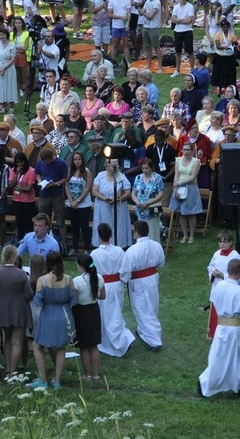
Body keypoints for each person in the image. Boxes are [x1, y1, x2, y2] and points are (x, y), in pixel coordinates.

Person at [198, 258, 240, 398]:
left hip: (222, 328)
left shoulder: (220, 287)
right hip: (237, 330)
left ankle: (217, 383)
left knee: (220, 357)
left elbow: (216, 302)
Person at [27, 251, 78, 390]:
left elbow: (37, 301)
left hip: (48, 314)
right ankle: (57, 380)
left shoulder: (42, 280)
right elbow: (74, 300)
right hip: (63, 313)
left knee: (37, 346)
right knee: (61, 348)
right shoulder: (68, 279)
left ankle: (42, 378)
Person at [0, 245, 34, 378]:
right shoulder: (21, 274)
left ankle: (8, 369)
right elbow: (29, 295)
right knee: (17, 341)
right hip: (19, 310)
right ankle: (13, 371)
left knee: (8, 339)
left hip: (2, 310)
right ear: (15, 257)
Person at [122, 220, 165, 352]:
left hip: (138, 281)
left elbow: (126, 270)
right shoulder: (157, 246)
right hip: (152, 278)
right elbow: (161, 263)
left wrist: (123, 280)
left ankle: (154, 341)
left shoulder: (132, 250)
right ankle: (142, 331)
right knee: (151, 305)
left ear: (136, 232)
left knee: (141, 309)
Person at [72, 253, 105, 380]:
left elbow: (75, 300)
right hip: (94, 310)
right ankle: (96, 374)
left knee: (84, 345)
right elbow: (103, 296)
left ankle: (87, 374)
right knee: (94, 344)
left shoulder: (77, 281)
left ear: (81, 266)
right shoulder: (99, 278)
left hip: (82, 312)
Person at [205, 231, 240, 340]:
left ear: (230, 242)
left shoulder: (235, 256)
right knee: (216, 309)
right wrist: (212, 272)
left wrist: (223, 275)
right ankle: (214, 333)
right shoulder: (216, 254)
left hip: (229, 288)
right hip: (217, 286)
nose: (222, 244)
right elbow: (210, 266)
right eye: (220, 242)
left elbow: (239, 273)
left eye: (225, 242)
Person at [92, 158, 132, 247]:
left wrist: (117, 199)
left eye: (117, 165)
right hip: (103, 206)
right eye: (113, 165)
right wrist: (104, 198)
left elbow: (128, 192)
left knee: (118, 226)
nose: (115, 167)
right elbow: (94, 191)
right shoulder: (100, 176)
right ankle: (103, 244)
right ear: (107, 166)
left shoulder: (121, 176)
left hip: (118, 207)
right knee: (104, 224)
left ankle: (119, 246)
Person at [169, 141, 201, 244]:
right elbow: (176, 175)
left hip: (190, 187)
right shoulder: (178, 160)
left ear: (192, 151)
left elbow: (193, 177)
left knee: (190, 213)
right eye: (184, 149)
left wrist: (179, 183)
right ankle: (184, 235)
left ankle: (192, 235)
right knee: (182, 213)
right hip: (179, 187)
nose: (186, 152)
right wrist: (175, 188)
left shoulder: (196, 162)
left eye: (188, 150)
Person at [64, 151, 93, 255]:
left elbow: (88, 188)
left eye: (79, 159)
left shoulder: (87, 172)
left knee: (84, 226)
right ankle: (74, 247)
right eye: (75, 159)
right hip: (71, 203)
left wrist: (78, 200)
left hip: (84, 204)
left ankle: (86, 248)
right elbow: (66, 185)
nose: (77, 162)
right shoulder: (69, 171)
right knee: (74, 226)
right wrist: (71, 200)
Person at [8, 152, 37, 240]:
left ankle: (30, 240)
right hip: (17, 200)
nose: (20, 164)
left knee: (27, 222)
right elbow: (10, 185)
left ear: (25, 161)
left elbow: (29, 188)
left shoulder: (31, 171)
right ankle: (21, 240)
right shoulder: (13, 170)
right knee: (19, 222)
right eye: (18, 162)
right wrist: (17, 174)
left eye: (21, 162)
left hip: (28, 201)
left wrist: (20, 189)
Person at [171, 0, 196, 77]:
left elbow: (189, 20)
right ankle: (177, 70)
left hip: (187, 31)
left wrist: (178, 20)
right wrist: (182, 19)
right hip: (177, 31)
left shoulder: (190, 7)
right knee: (178, 51)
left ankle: (192, 70)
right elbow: (173, 20)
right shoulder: (176, 7)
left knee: (190, 51)